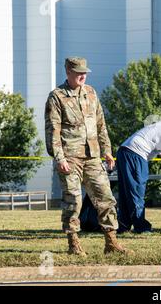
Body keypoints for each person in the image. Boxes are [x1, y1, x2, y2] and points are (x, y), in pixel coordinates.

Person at [45, 57, 131, 257]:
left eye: (84, 72)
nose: (82, 75)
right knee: (73, 200)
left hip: (92, 156)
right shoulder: (56, 97)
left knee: (105, 198)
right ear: (68, 71)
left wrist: (107, 150)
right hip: (70, 157)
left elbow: (101, 124)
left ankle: (111, 243)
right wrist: (59, 158)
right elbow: (52, 131)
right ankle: (73, 244)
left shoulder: (91, 93)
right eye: (78, 72)